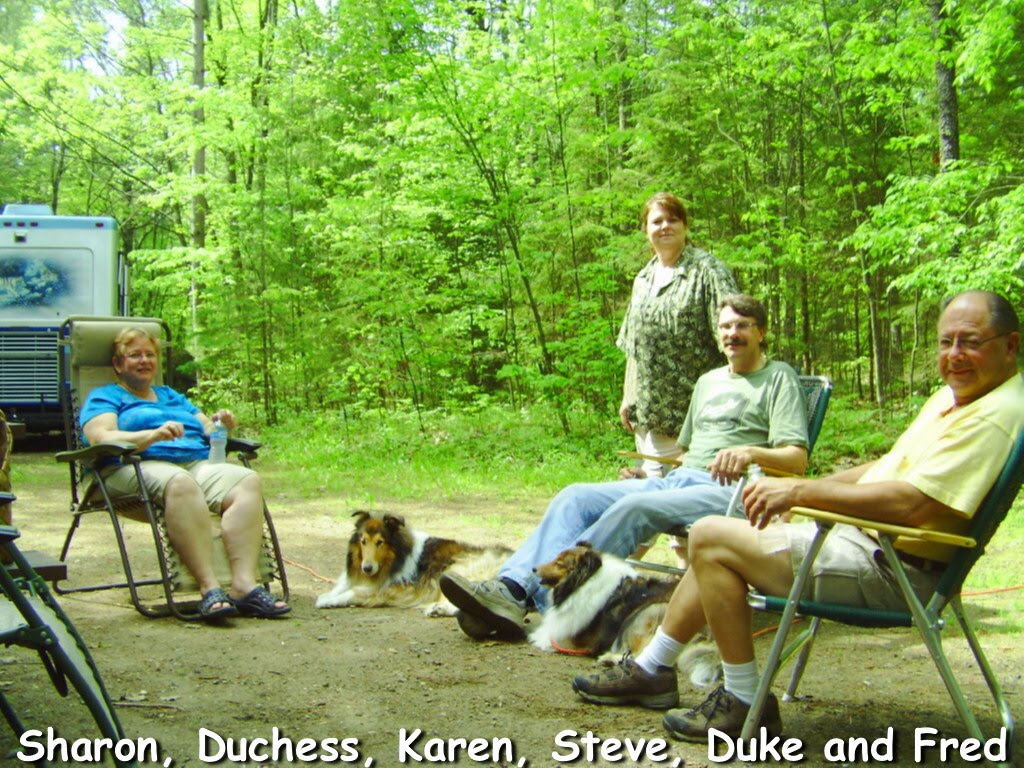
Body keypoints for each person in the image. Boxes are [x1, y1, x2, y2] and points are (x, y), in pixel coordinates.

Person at [572, 290, 1024, 742]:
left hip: (895, 573)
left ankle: (744, 700)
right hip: (868, 546)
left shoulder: (995, 416)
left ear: (1010, 345)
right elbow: (890, 467)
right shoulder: (957, 398)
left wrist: (801, 490)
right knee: (722, 537)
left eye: (970, 342)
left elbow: (914, 505)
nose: (955, 355)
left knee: (712, 537)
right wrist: (810, 492)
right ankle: (653, 668)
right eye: (946, 342)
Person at [441, 294, 809, 641]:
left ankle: (550, 596)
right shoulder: (707, 382)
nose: (733, 334)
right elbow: (686, 454)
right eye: (726, 326)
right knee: (576, 497)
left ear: (760, 332)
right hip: (679, 482)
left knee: (636, 509)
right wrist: (650, 477)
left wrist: (749, 453)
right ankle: (512, 587)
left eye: (743, 325)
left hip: (733, 492)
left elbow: (797, 459)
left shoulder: (779, 378)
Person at [79, 327, 290, 621]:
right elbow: (100, 437)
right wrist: (151, 436)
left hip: (194, 464)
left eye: (150, 354)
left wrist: (222, 423)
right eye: (135, 355)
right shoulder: (106, 396)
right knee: (180, 483)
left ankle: (244, 585)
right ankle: (210, 588)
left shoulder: (172, 396)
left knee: (246, 481)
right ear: (118, 364)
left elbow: (207, 427)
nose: (144, 360)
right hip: (130, 466)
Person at [618, 192, 738, 480]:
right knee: (652, 500)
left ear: (685, 226)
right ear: (646, 230)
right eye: (657, 221)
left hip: (696, 420)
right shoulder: (643, 280)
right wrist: (628, 396)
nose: (665, 227)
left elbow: (735, 337)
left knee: (687, 502)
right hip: (649, 420)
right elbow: (635, 345)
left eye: (673, 219)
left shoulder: (708, 271)